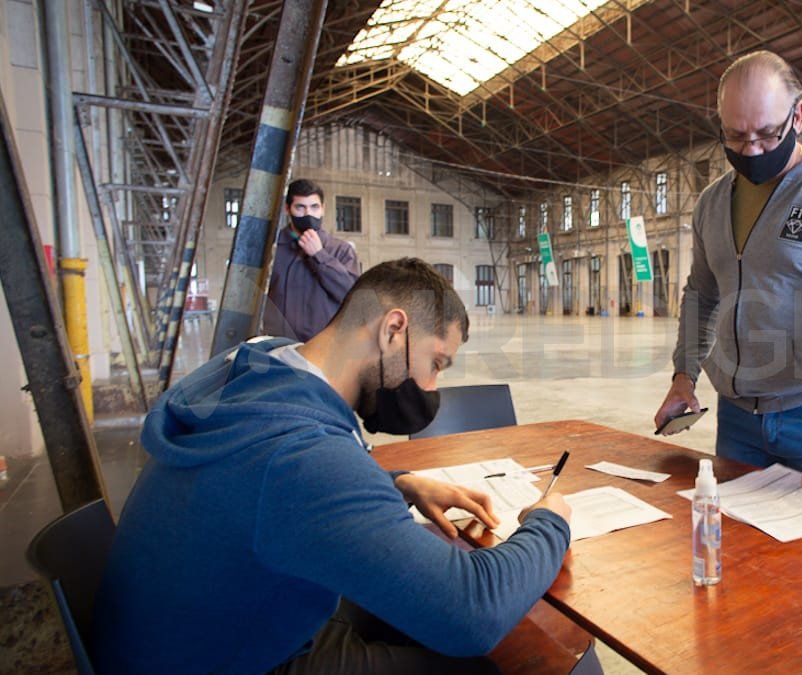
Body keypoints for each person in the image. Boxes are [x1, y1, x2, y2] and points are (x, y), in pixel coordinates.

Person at [93, 259, 572, 674]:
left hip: (184, 632)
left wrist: (396, 482)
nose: (429, 386)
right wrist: (551, 522)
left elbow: (268, 484)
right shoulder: (302, 455)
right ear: (393, 330)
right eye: (436, 363)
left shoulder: (261, 364)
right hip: (231, 661)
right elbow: (473, 613)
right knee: (480, 666)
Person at [655, 51, 802, 492]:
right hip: (737, 422)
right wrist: (684, 376)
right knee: (741, 554)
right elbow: (701, 295)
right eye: (736, 136)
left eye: (767, 133)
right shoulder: (712, 203)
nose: (753, 149)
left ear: (798, 114)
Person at [264, 179, 360, 341]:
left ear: (323, 209)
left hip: (324, 346)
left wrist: (319, 255)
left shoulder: (341, 250)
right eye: (300, 207)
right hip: (279, 346)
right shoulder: (271, 249)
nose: (308, 214)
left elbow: (351, 295)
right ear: (288, 209)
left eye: (314, 207)